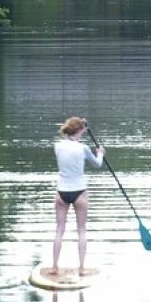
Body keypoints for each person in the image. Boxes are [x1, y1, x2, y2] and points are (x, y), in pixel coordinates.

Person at [51, 117, 104, 276]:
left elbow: (73, 141)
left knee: (59, 230)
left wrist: (82, 126)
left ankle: (54, 267)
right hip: (79, 192)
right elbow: (97, 164)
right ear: (80, 131)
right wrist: (100, 153)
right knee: (81, 230)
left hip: (62, 192)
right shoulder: (84, 148)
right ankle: (81, 268)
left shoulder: (57, 146)